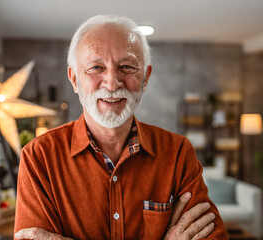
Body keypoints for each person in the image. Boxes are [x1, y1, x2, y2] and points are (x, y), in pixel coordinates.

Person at [14, 15, 228, 240]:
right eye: (96, 67)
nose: (112, 82)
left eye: (126, 66)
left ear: (145, 77)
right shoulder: (40, 157)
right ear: (75, 79)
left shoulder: (177, 153)